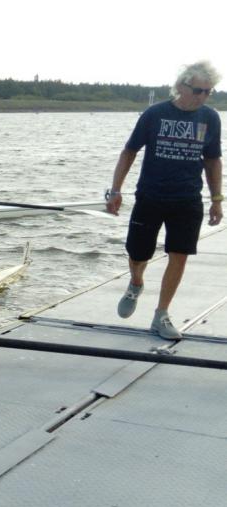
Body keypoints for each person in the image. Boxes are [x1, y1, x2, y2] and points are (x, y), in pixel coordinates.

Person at [110, 60, 222, 340]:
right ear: (182, 86)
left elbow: (212, 160)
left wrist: (217, 199)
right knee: (138, 253)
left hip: (187, 198)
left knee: (179, 255)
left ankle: (161, 314)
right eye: (198, 90)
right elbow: (129, 151)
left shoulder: (210, 118)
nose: (203, 97)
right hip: (150, 195)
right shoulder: (155, 114)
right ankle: (136, 283)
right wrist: (116, 190)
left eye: (208, 92)